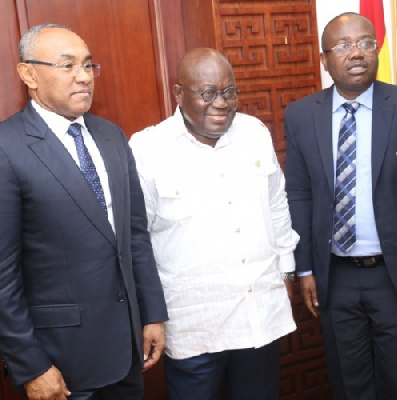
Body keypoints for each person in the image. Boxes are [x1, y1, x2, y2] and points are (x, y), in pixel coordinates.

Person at [0, 24, 168, 400]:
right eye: (67, 65)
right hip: (61, 363)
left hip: (127, 350)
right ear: (28, 74)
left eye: (89, 66)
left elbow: (134, 234)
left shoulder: (112, 136)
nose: (83, 77)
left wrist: (151, 312)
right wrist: (31, 366)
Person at [284, 12, 397, 400]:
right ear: (325, 59)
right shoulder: (301, 116)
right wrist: (303, 267)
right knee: (351, 388)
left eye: (366, 43)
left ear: (377, 50)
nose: (357, 53)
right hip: (335, 280)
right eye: (344, 45)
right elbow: (299, 194)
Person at [128, 48, 300, 400]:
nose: (221, 103)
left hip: (258, 317)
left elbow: (276, 204)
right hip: (194, 326)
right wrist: (150, 314)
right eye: (207, 93)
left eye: (229, 92)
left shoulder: (254, 132)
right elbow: (136, 240)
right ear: (179, 94)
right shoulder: (148, 148)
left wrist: (287, 270)